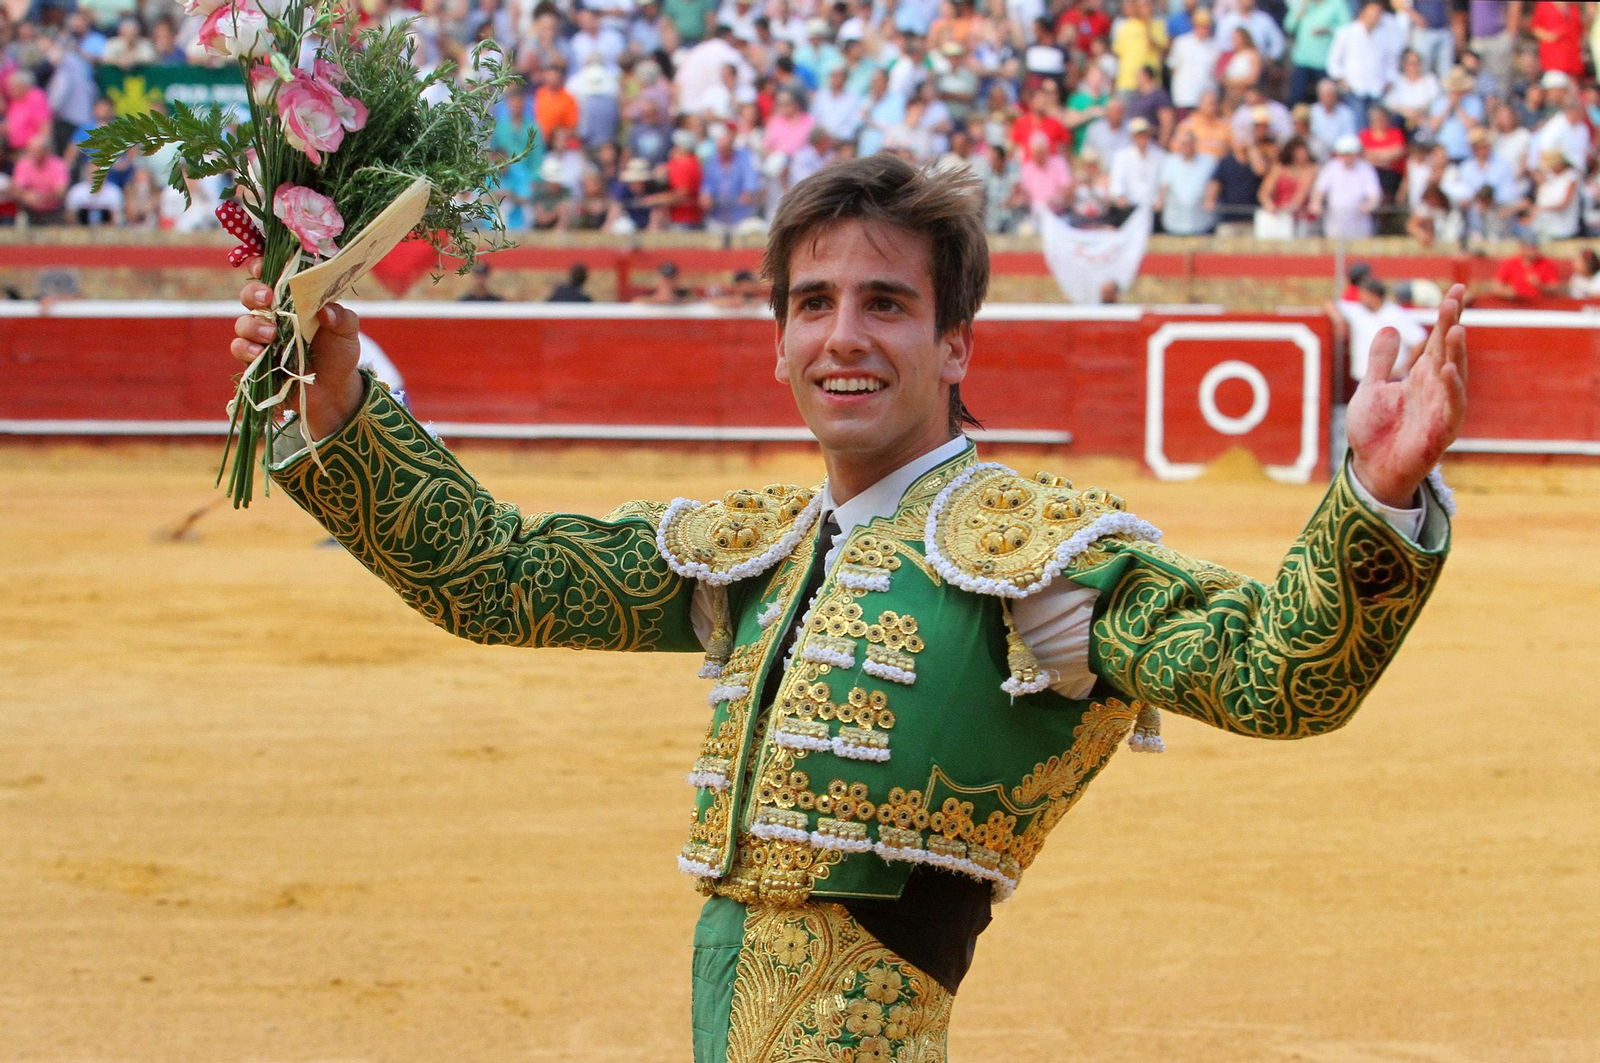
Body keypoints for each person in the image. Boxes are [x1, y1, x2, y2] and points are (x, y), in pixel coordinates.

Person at [229, 151, 1464, 1063]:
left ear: (956, 346)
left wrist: (1376, 496)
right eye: (812, 303)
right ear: (775, 342)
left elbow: (1269, 674)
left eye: (886, 303)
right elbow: (493, 578)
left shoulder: (1038, 557)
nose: (844, 337)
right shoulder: (754, 548)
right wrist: (340, 406)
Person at [1331, 274, 1427, 380]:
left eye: (1363, 294)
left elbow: (1419, 340)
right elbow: (1331, 304)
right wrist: (1338, 318)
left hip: (1390, 379)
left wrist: (1404, 368)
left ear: (1374, 296)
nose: (1360, 298)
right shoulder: (1357, 310)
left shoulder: (1395, 314)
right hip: (1362, 378)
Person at [1310, 134, 1382, 239]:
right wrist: (1316, 203)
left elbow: (1374, 194)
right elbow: (1320, 189)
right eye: (1343, 154)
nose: (1346, 157)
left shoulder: (1366, 168)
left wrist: (1369, 205)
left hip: (1359, 219)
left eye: (1349, 154)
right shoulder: (1331, 167)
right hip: (1335, 218)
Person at [1156, 128, 1216, 235]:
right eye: (1183, 144)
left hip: (1201, 221)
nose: (1186, 147)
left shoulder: (1208, 161)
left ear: (1195, 144)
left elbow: (1214, 183)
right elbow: (1164, 185)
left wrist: (1210, 199)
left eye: (1189, 143)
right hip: (1175, 222)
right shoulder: (1170, 161)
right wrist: (1160, 201)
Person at [1490, 230, 1563, 300]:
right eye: (1528, 248)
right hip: (1516, 306)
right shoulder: (1509, 263)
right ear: (1522, 248)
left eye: (1533, 248)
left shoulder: (1547, 264)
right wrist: (1506, 293)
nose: (1531, 251)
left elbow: (1555, 288)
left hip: (1540, 306)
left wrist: (1540, 285)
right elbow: (1496, 286)